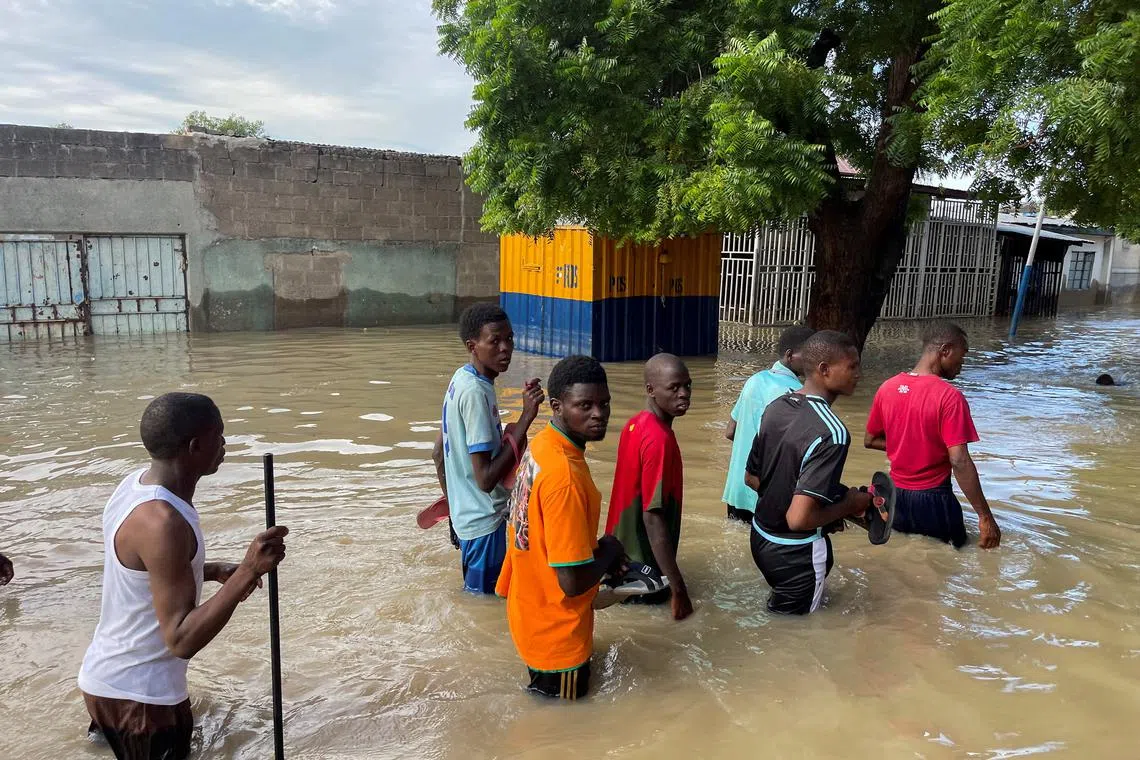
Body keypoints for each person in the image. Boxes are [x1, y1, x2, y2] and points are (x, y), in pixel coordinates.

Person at [77, 393, 289, 760]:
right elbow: (181, 639)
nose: (224, 444)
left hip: (107, 681)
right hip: (142, 701)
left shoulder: (135, 485)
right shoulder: (164, 523)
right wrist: (248, 571)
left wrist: (209, 570)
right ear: (195, 446)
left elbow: (142, 573)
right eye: (219, 436)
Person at [496, 355, 624, 700]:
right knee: (565, 730)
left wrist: (595, 549)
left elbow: (538, 534)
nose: (599, 414)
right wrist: (611, 550)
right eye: (585, 405)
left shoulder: (541, 446)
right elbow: (572, 582)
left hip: (529, 611)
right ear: (557, 406)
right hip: (559, 638)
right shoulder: (564, 477)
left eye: (604, 404)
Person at [746, 331, 874, 615]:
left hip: (760, 539)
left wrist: (827, 503)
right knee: (796, 635)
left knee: (778, 619)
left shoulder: (776, 407)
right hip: (797, 556)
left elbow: (753, 478)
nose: (859, 374)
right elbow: (799, 518)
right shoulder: (833, 432)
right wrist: (848, 506)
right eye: (852, 366)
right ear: (824, 370)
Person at [431, 302, 544, 594]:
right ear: (473, 346)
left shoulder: (461, 378)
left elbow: (437, 453)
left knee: (477, 602)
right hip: (485, 525)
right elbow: (485, 480)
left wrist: (454, 512)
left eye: (509, 338)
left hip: (468, 520)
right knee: (485, 605)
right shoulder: (476, 394)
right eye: (495, 341)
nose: (506, 348)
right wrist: (526, 417)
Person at [864, 322, 1001, 549]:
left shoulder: (887, 388)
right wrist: (985, 517)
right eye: (962, 356)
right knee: (955, 561)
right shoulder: (949, 397)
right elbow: (959, 460)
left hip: (895, 497)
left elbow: (870, 440)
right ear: (945, 350)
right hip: (934, 499)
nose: (962, 364)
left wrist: (907, 447)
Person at [605, 353, 694, 620]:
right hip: (643, 574)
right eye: (674, 387)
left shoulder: (635, 424)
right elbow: (652, 517)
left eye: (687, 385)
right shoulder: (659, 439)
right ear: (650, 390)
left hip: (620, 562)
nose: (684, 394)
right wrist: (678, 588)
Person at [723, 326, 816, 522]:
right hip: (762, 493)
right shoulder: (798, 393)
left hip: (736, 489)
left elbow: (730, 431)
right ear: (790, 355)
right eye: (807, 356)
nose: (812, 362)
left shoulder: (754, 380)